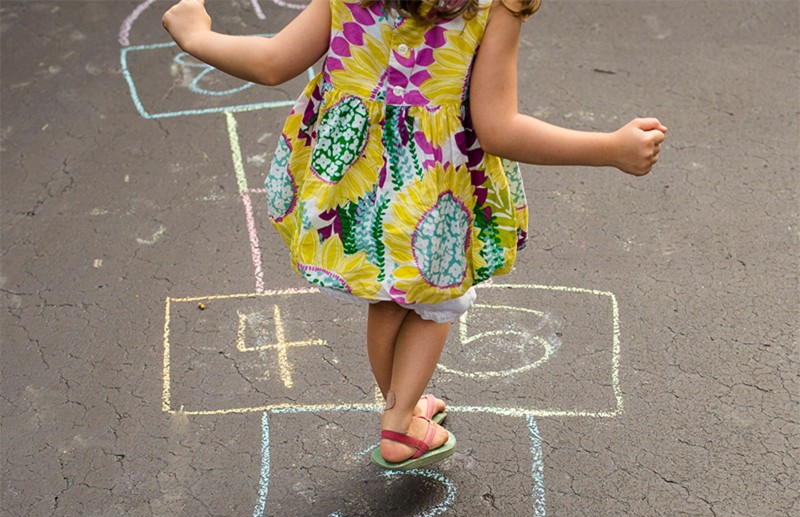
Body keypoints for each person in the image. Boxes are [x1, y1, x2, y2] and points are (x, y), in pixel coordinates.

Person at [162, 0, 666, 470]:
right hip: (431, 185)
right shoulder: (490, 4)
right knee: (439, 300)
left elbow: (272, 61)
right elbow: (498, 128)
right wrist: (610, 149)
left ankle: (401, 404)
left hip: (355, 177)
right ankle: (401, 423)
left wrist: (198, 37)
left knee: (390, 295)